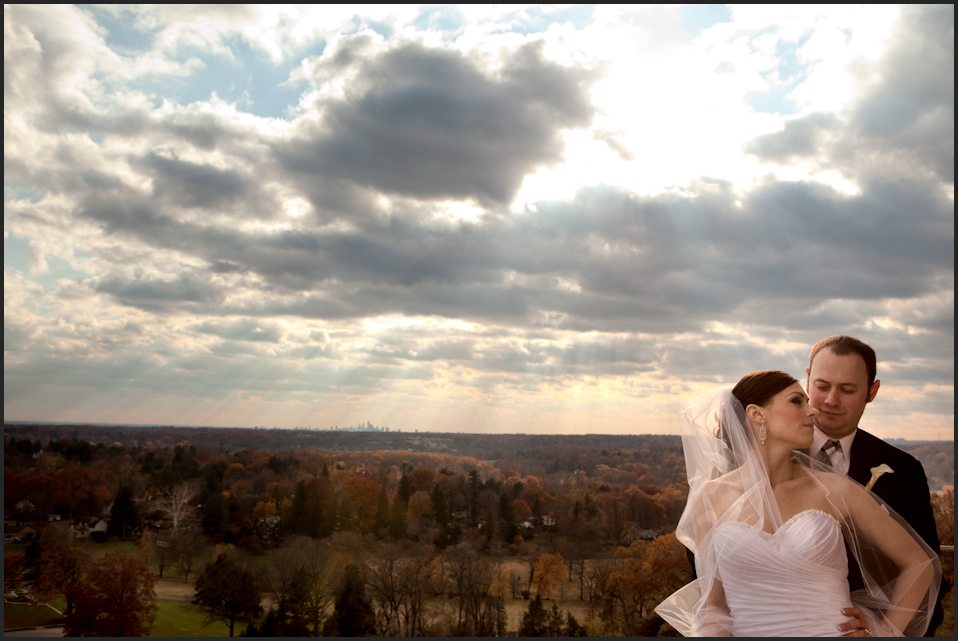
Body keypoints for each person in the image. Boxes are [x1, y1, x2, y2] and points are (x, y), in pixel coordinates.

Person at [655, 369, 940, 637]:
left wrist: (885, 631)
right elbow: (715, 603)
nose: (813, 410)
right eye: (796, 401)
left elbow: (920, 562)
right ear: (756, 414)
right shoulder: (711, 497)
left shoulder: (835, 489)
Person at [807, 335, 946, 636]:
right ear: (807, 379)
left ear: (872, 391)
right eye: (821, 386)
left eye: (847, 390)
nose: (831, 400)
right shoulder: (764, 456)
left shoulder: (905, 471)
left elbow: (928, 568)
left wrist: (885, 629)